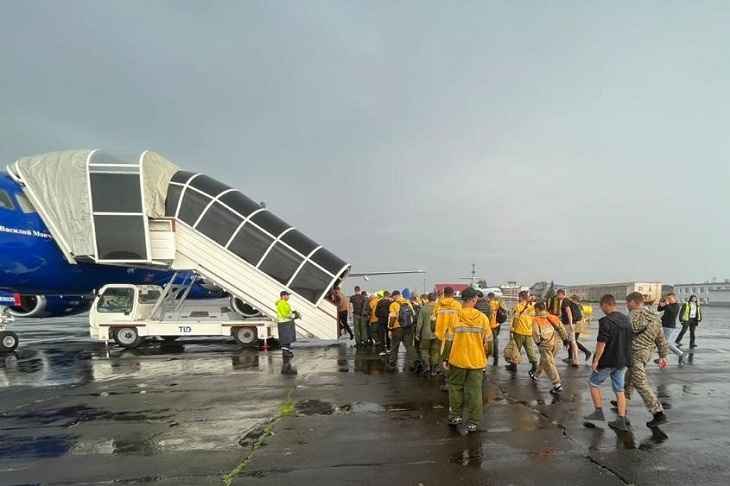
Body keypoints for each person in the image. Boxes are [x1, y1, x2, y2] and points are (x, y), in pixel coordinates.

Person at [441, 287, 493, 433]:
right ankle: (473, 422)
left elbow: (449, 340)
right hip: (476, 361)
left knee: (456, 387)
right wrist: (487, 354)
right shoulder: (482, 318)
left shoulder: (455, 317)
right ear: (473, 299)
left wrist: (446, 357)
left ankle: (455, 416)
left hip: (458, 359)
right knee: (475, 391)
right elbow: (489, 342)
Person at [583, 294, 633, 430]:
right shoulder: (626, 319)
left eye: (601, 307)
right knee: (619, 389)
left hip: (609, 360)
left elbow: (601, 344)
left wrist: (596, 361)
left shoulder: (606, 321)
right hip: (623, 360)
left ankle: (598, 412)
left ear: (605, 305)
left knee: (593, 383)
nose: (602, 309)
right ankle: (621, 420)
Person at [625, 291, 669, 428]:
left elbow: (630, 331)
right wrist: (663, 355)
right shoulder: (655, 316)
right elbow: (660, 337)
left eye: (627, 303)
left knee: (640, 382)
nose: (627, 306)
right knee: (630, 377)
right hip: (647, 352)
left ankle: (658, 413)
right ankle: (623, 400)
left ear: (633, 302)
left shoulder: (633, 315)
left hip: (636, 351)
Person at [530, 301, 569, 394]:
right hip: (555, 344)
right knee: (545, 360)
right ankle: (536, 375)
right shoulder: (553, 317)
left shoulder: (536, 320)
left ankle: (557, 384)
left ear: (537, 309)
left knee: (549, 364)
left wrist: (538, 342)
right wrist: (565, 340)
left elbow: (535, 333)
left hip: (545, 345)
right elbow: (562, 329)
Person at [433, 287, 462, 391]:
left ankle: (447, 379)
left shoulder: (438, 306)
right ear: (453, 294)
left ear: (444, 294)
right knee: (453, 356)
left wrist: (434, 330)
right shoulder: (458, 305)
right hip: (454, 336)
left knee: (443, 357)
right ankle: (455, 378)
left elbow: (432, 320)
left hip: (441, 336)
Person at [385, 290, 418, 372]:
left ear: (395, 296)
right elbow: (413, 315)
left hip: (398, 328)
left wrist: (390, 329)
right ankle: (415, 362)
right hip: (408, 327)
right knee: (409, 345)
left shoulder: (394, 304)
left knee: (394, 346)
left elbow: (392, 317)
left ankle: (392, 364)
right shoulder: (408, 303)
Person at [507, 290, 537, 376]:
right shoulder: (531, 308)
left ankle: (513, 365)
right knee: (530, 349)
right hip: (528, 332)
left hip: (519, 331)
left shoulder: (518, 307)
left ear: (520, 297)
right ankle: (534, 364)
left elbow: (514, 319)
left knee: (516, 349)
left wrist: (512, 328)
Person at [656, 293, 685, 363]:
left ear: (674, 298)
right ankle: (662, 358)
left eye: (670, 298)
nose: (668, 300)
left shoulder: (676, 306)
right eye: (667, 298)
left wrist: (667, 304)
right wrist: (660, 303)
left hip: (669, 327)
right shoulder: (669, 305)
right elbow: (659, 309)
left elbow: (672, 313)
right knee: (662, 342)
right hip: (663, 325)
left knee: (666, 343)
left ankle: (680, 354)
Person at [415, 292, 439, 375]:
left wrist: (417, 333)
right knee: (435, 351)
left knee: (424, 350)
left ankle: (427, 366)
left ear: (428, 299)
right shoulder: (438, 308)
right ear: (436, 298)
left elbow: (420, 323)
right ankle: (434, 370)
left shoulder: (424, 308)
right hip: (436, 334)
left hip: (425, 334)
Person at [276, 290, 299, 375]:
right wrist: (294, 315)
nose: (288, 297)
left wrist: (293, 314)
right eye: (287, 295)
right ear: (283, 296)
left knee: (288, 337)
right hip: (284, 323)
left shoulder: (284, 303)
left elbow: (287, 312)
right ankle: (285, 351)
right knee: (286, 337)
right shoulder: (281, 303)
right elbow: (285, 314)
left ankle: (287, 350)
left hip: (287, 322)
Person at [487, 293, 504, 366]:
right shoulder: (498, 304)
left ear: (489, 297)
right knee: (495, 339)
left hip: (490, 325)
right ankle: (496, 357)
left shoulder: (488, 305)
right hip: (497, 325)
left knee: (490, 340)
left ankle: (491, 354)